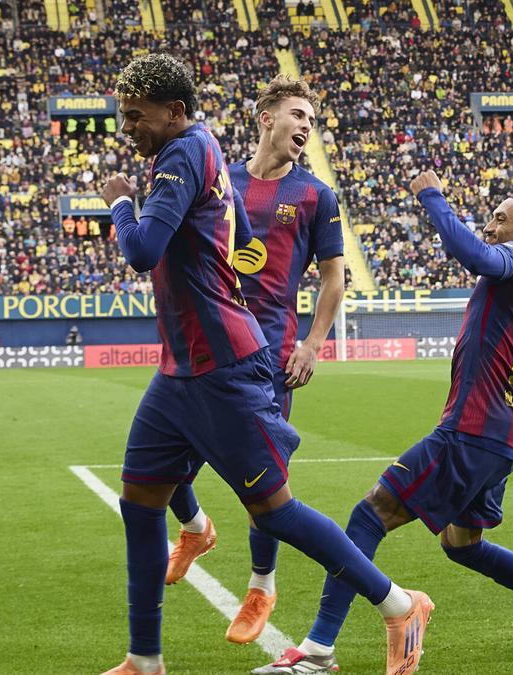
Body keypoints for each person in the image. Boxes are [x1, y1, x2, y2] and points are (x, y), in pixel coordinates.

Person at [97, 54, 432, 675]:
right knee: (140, 501)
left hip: (225, 367)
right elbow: (245, 241)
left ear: (173, 111)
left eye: (136, 115)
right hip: (183, 367)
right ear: (266, 119)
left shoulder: (187, 155)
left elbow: (142, 250)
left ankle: (397, 603)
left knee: (274, 511)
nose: (128, 127)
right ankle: (144, 659)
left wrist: (120, 202)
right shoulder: (210, 155)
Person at [253, 171, 513, 674]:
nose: (490, 226)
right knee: (463, 545)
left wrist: (431, 195)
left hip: (471, 429)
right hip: (503, 438)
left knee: (370, 514)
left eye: (500, 218)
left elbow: (477, 256)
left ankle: (318, 650)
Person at [161, 75, 347, 645]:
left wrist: (313, 344)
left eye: (311, 120)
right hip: (206, 343)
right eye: (298, 114)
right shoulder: (222, 179)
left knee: (263, 487)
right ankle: (195, 528)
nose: (306, 126)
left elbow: (334, 277)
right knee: (162, 463)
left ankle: (261, 586)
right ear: (266, 118)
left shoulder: (315, 195)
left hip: (269, 358)